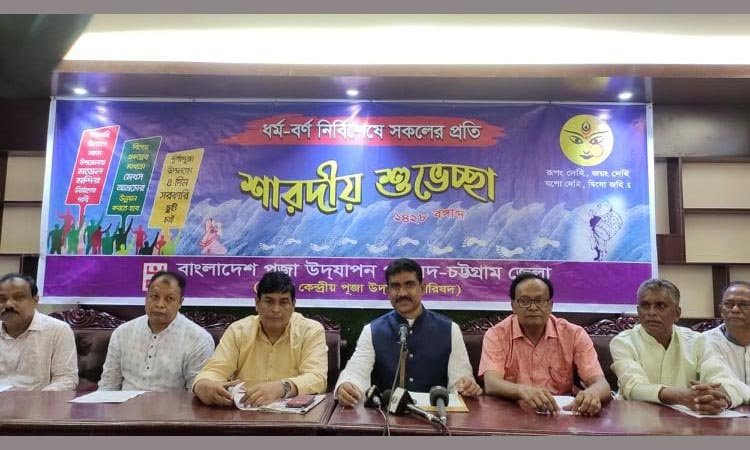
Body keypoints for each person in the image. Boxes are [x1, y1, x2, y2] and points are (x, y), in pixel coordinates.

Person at [335, 258, 481, 408]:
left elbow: (460, 380)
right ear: (387, 291)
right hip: (386, 415)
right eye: (395, 286)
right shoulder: (372, 331)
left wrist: (465, 386)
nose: (402, 293)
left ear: (422, 288)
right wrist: (347, 385)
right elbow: (356, 372)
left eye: (409, 285)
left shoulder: (450, 329)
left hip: (437, 414)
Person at [479, 272, 611, 415]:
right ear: (513, 306)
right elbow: (491, 383)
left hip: (560, 414)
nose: (533, 307)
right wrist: (523, 391)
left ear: (550, 305)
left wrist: (591, 394)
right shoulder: (496, 335)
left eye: (540, 300)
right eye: (524, 301)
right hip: (511, 413)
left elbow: (601, 384)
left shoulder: (574, 334)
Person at [610, 278, 748, 413]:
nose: (651, 312)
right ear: (638, 311)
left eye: (660, 306)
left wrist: (719, 398)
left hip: (686, 422)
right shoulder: (623, 342)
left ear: (677, 313)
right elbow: (633, 387)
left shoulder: (696, 341)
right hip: (636, 419)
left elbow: (724, 378)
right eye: (645, 306)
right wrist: (681, 396)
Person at [193, 271, 327, 406]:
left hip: (293, 414)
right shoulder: (238, 331)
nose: (276, 309)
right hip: (244, 411)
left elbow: (317, 379)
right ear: (257, 303)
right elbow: (214, 370)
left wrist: (283, 387)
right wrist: (202, 385)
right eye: (269, 302)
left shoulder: (310, 331)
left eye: (283, 302)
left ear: (293, 305)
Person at [98, 271, 214, 391]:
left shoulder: (198, 339)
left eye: (169, 299)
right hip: (125, 403)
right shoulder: (122, 333)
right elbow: (108, 385)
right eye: (154, 296)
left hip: (172, 403)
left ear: (180, 302)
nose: (160, 305)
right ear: (146, 297)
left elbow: (195, 392)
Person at [0, 273, 78, 390]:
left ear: (35, 301)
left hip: (37, 399)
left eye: (19, 297)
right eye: (2, 299)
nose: (8, 304)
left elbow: (67, 379)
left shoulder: (58, 330)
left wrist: (40, 398)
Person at [702, 281, 750, 402]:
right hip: (724, 410)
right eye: (728, 304)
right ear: (721, 311)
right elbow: (719, 385)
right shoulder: (704, 342)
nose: (735, 310)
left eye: (744, 305)